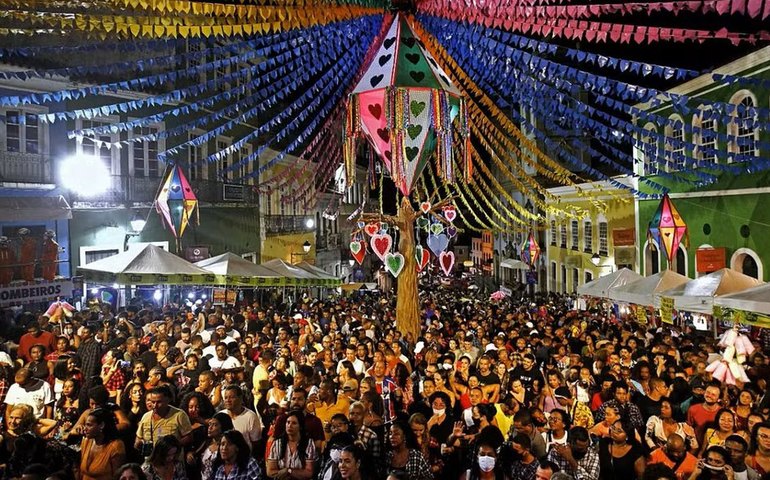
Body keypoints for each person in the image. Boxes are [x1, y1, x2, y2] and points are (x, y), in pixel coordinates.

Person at [135, 385, 192, 458]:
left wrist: (172, 446)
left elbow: (189, 436)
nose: (155, 405)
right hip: (151, 461)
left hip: (172, 461)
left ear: (168, 400)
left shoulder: (179, 415)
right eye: (153, 402)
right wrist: (139, 443)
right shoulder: (146, 417)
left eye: (159, 402)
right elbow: (139, 437)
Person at [77, 407, 126, 480]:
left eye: (89, 425)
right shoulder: (86, 441)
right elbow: (81, 473)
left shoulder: (116, 446)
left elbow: (117, 477)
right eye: (85, 425)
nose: (85, 428)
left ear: (101, 425)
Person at [266, 410, 316, 479]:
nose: (290, 425)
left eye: (294, 423)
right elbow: (270, 471)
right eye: (288, 422)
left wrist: (288, 471)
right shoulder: (277, 443)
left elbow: (309, 473)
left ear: (300, 426)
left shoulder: (309, 443)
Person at [193, 412, 234, 480]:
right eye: (210, 424)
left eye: (214, 425)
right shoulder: (205, 443)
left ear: (223, 427)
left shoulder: (227, 448)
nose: (210, 427)